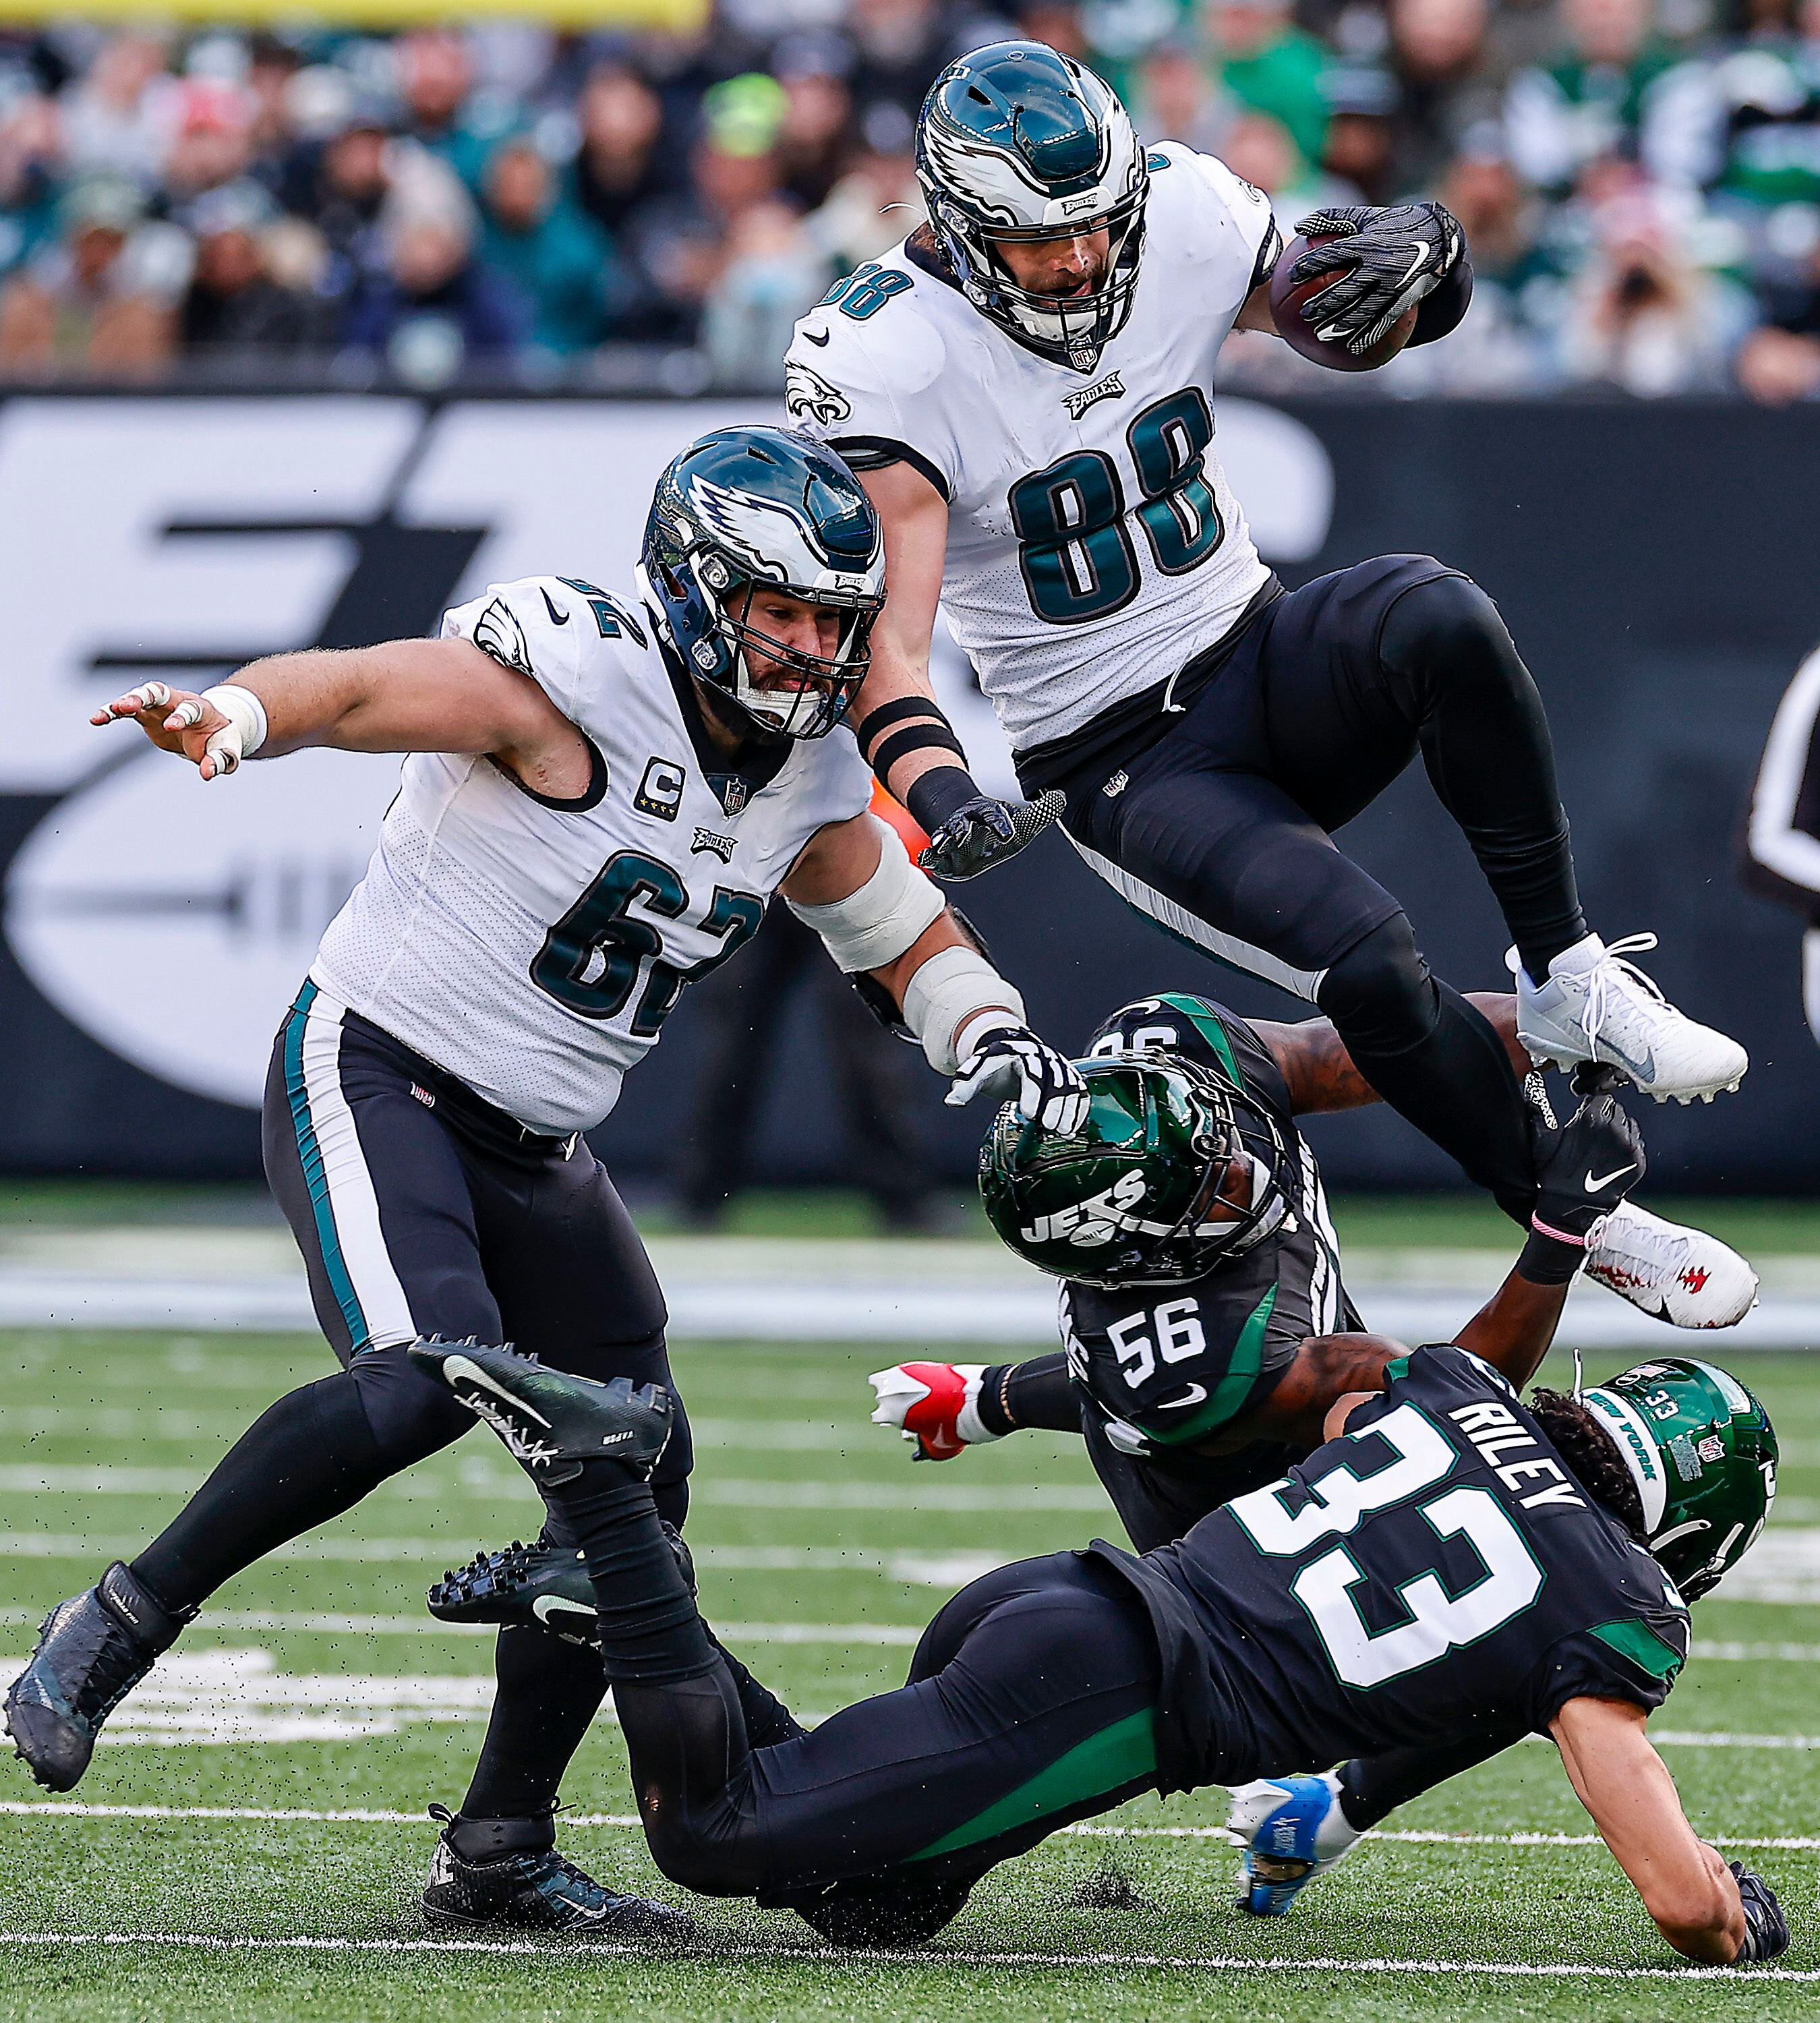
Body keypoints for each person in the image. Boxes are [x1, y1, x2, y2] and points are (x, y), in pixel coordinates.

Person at [4, 427, 1086, 1943]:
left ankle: (500, 1844)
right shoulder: (575, 671)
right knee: (416, 1385)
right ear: (702, 591)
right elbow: (373, 685)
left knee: (629, 1497)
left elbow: (890, 922)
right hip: (381, 1070)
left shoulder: (804, 769)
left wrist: (991, 1034)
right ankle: (111, 1626)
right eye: (782, 613)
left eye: (835, 621)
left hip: (541, 1146)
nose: (814, 649)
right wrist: (240, 714)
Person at [782, 39, 1750, 1252]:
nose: (1083, 261)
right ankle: (1577, 1221)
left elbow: (1342, 321)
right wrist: (935, 787)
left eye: (1100, 224)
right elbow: (888, 640)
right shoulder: (886, 351)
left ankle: (1568, 973)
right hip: (1124, 756)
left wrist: (1425, 265)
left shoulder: (1178, 209)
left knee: (1435, 609)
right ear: (961, 224)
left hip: (1256, 642)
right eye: (1045, 240)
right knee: (1374, 965)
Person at [405, 1205, 1789, 1966]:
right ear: (1690, 1525)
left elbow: (1332, 1420)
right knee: (714, 1834)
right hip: (1109, 1692)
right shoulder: (1615, 1607)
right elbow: (1677, 1895)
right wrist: (1740, 1914)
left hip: (1065, 1609)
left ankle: (637, 1608)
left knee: (875, 1905)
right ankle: (607, 1512)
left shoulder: (1447, 1397)